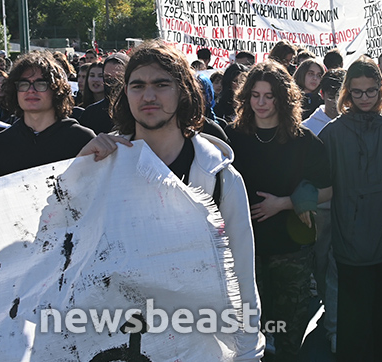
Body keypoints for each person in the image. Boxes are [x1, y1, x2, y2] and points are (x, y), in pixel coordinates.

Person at [77, 40, 263, 360]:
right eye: (138, 85)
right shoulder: (99, 170)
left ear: (183, 93)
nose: (149, 96)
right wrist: (77, 175)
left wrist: (247, 351)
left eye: (161, 84)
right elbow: (57, 248)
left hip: (199, 345)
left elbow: (241, 276)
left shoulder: (220, 179)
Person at [227, 60, 330, 361]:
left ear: (283, 98)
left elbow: (329, 188)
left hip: (291, 250)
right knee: (247, 329)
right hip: (245, 250)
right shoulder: (232, 138)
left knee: (288, 331)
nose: (261, 103)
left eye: (269, 95)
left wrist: (285, 202)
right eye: (255, 95)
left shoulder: (303, 140)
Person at [318, 56, 382, 361]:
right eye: (357, 92)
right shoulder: (332, 134)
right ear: (347, 92)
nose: (364, 98)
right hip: (349, 243)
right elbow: (319, 185)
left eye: (370, 91)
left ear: (381, 90)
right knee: (353, 325)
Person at [0, 51, 96, 179]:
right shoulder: (0, 144)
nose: (31, 90)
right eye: (24, 84)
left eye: (41, 84)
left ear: (56, 90)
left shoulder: (82, 139)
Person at [301, 68, 345, 352]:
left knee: (336, 268)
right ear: (322, 94)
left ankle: (334, 327)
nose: (336, 100)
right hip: (321, 209)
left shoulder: (353, 123)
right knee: (321, 264)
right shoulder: (308, 127)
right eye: (331, 94)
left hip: (348, 207)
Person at [79, 53, 129, 134]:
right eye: (107, 77)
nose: (112, 82)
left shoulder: (137, 112)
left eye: (118, 77)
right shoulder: (91, 113)